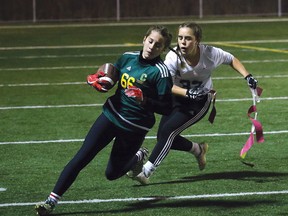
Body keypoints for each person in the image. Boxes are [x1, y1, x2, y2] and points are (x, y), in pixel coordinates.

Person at [35, 25, 173, 215]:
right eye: (150, 41)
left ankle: (137, 157)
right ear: (144, 39)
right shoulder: (127, 57)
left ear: (163, 49)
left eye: (158, 45)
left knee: (112, 174)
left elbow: (167, 107)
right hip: (111, 116)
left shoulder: (161, 73)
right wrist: (98, 80)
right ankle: (50, 201)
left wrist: (145, 100)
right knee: (82, 156)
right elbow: (111, 78)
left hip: (134, 127)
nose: (152, 47)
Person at [127, 22, 258, 185]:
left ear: (198, 41)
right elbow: (167, 85)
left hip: (198, 102)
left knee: (168, 131)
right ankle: (198, 149)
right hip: (176, 98)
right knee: (164, 137)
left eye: (188, 38)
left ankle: (147, 171)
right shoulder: (173, 57)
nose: (182, 42)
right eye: (180, 38)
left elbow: (231, 59)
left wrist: (247, 76)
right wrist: (187, 93)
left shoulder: (210, 53)